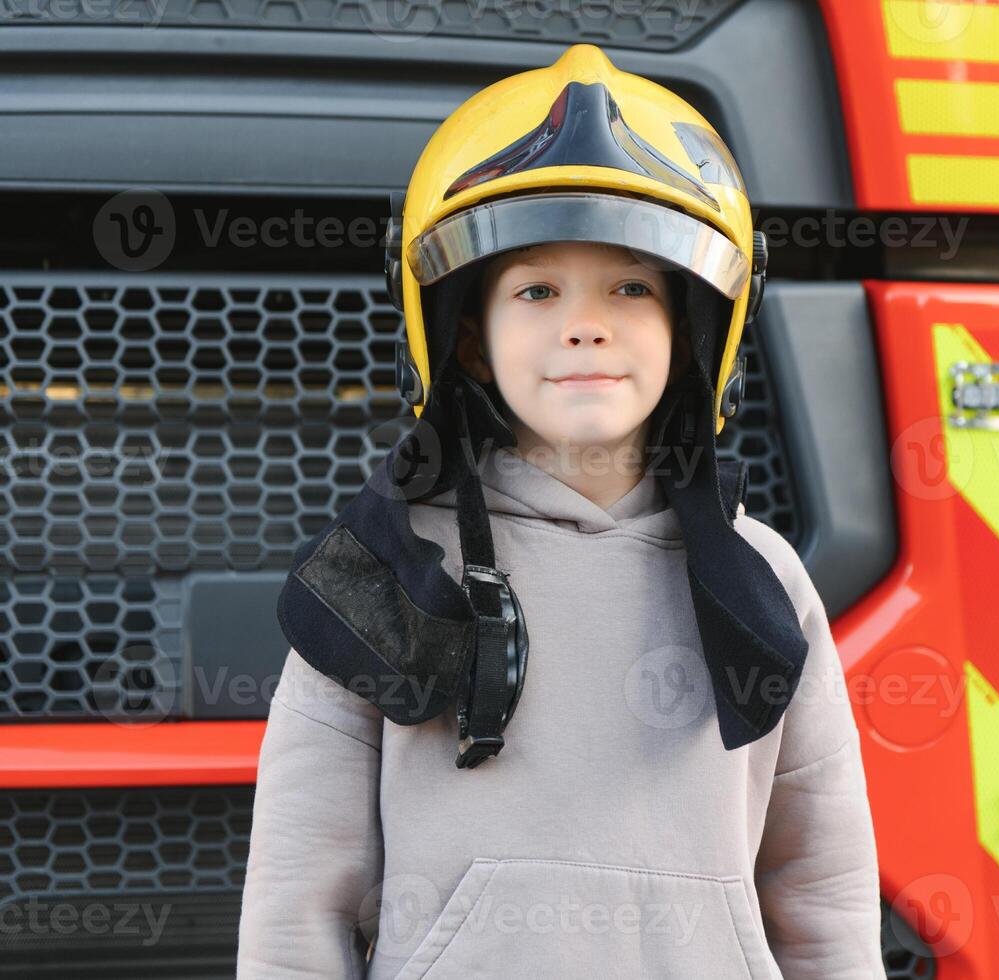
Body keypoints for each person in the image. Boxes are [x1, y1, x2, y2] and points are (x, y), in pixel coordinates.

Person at [236, 42, 885, 980]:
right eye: (537, 290)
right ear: (466, 339)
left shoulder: (763, 580)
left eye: (630, 286)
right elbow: (299, 901)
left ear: (693, 329)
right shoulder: (383, 573)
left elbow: (822, 894)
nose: (586, 323)